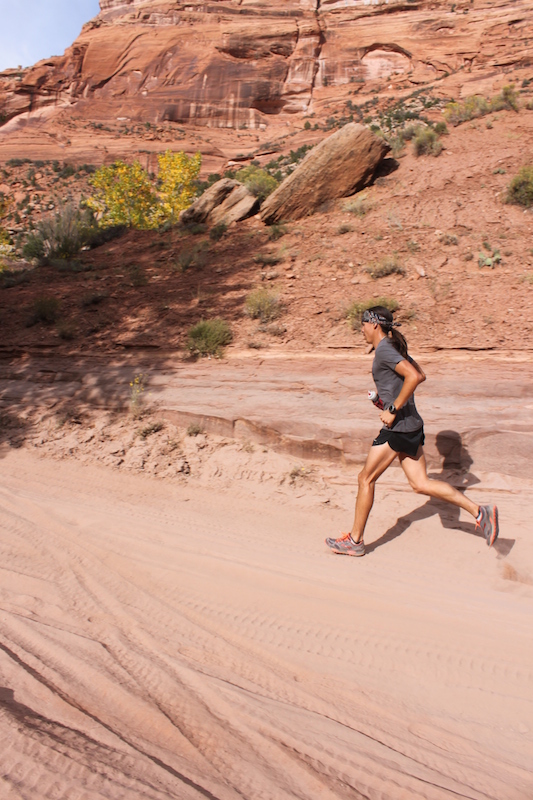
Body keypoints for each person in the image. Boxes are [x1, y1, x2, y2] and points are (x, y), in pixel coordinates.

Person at [325, 306, 499, 557]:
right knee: (420, 484)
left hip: (398, 427)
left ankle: (355, 541)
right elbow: (421, 375)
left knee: (365, 479)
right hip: (411, 424)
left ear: (374, 324)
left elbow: (415, 377)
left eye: (362, 324)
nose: (360, 329)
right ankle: (481, 512)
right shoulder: (393, 347)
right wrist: (386, 401)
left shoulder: (385, 349)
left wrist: (393, 409)